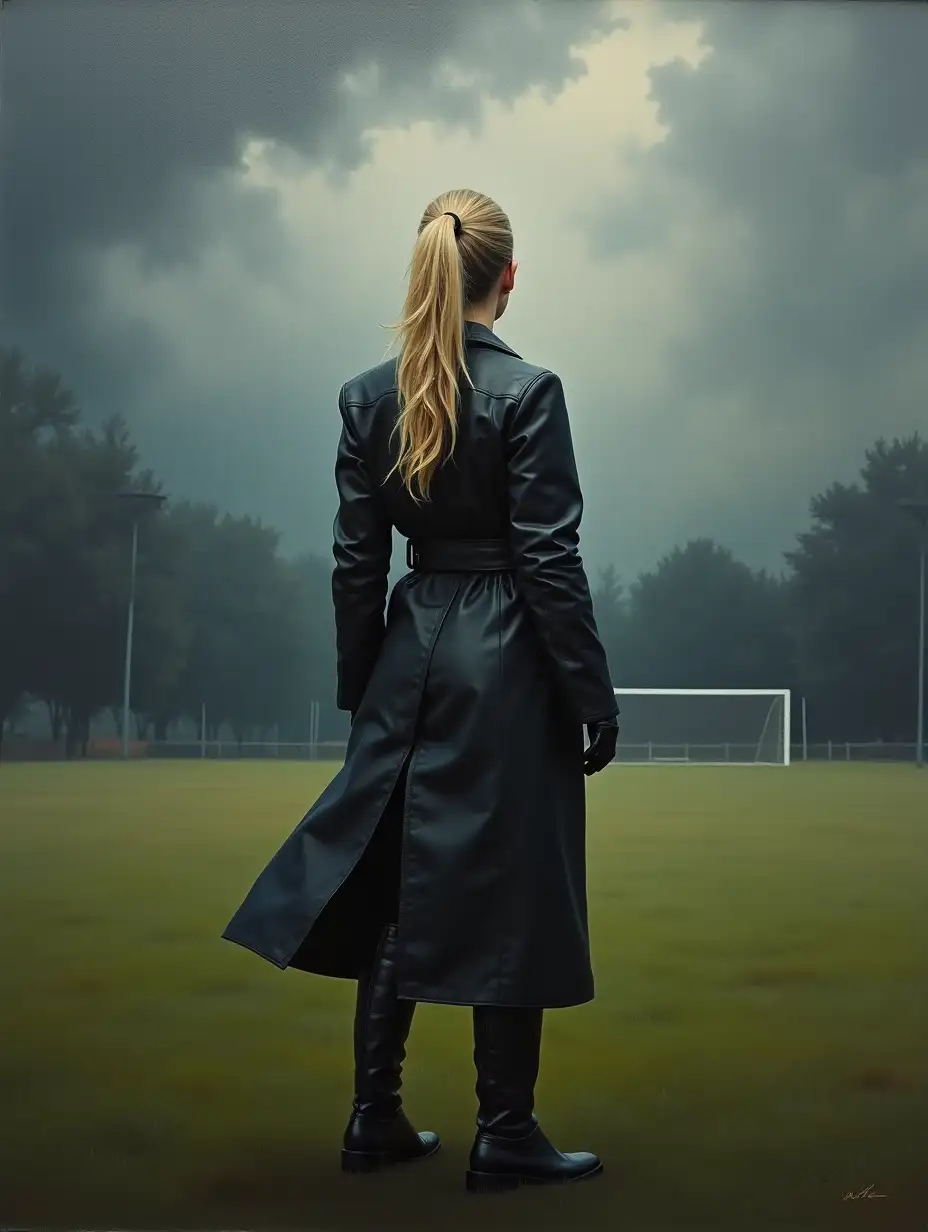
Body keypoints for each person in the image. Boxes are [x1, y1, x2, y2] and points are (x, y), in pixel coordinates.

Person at [222, 188, 620, 1195]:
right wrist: (590, 694)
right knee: (514, 885)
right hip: (506, 659)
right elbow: (548, 560)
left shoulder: (367, 397)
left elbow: (356, 563)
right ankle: (506, 1130)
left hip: (410, 650)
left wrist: (368, 686)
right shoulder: (530, 391)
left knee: (393, 880)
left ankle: (373, 1114)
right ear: (509, 275)